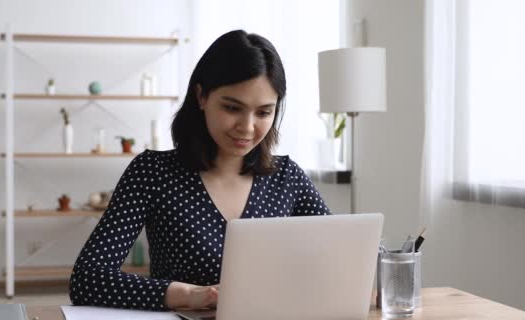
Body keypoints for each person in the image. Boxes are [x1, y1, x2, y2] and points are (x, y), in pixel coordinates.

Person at [69, 29, 331, 312]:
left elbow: (347, 252)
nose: (247, 126)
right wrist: (187, 294)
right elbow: (87, 280)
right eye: (232, 108)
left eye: (264, 112)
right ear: (202, 96)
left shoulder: (287, 178)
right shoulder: (153, 173)